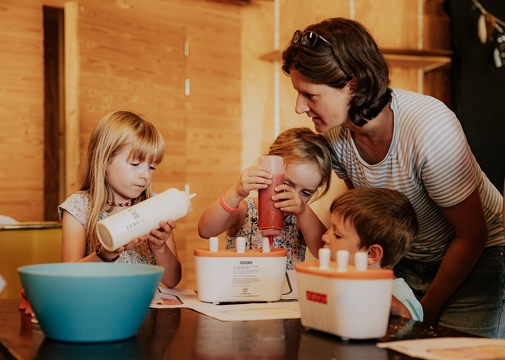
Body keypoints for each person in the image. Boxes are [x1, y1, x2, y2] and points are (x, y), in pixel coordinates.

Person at [282, 17, 504, 337]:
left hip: (477, 258)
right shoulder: (337, 138)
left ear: (353, 85)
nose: (299, 107)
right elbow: (373, 220)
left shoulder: (429, 128)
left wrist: (425, 311)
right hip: (407, 258)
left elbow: (472, 236)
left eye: (310, 95)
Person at [59, 110, 182, 288]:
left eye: (152, 167)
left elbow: (172, 281)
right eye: (135, 164)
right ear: (104, 160)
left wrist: (160, 247)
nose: (146, 175)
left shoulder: (155, 206)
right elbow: (67, 278)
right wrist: (104, 254)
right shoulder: (79, 207)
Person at [198, 127, 333, 270]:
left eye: (305, 193)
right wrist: (236, 193)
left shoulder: (300, 220)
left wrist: (303, 210)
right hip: (243, 290)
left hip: (284, 292)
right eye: (286, 184)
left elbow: (325, 250)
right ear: (268, 167)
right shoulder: (245, 211)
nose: (293, 196)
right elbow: (205, 231)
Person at [322, 188, 422, 321]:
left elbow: (411, 338)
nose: (325, 237)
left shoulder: (400, 300)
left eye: (337, 235)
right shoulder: (343, 282)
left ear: (371, 253)